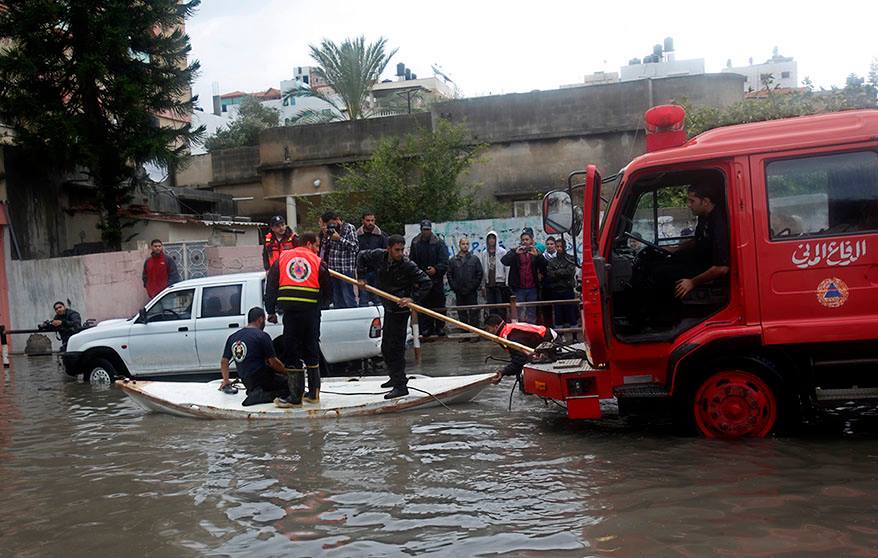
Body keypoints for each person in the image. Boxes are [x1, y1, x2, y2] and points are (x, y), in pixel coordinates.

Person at [357, 234, 432, 399]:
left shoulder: (407, 265)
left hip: (400, 309)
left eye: (402, 250)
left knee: (395, 348)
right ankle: (394, 377)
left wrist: (412, 297)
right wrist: (361, 277)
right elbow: (361, 256)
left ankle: (401, 385)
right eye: (396, 250)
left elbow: (426, 282)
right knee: (385, 347)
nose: (400, 253)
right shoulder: (379, 256)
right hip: (388, 306)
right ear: (388, 249)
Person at [265, 232, 330, 407]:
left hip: (292, 312)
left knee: (292, 351)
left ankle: (295, 396)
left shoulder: (283, 259)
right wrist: (320, 305)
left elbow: (271, 285)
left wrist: (270, 310)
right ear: (309, 244)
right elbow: (328, 289)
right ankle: (314, 393)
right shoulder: (318, 262)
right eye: (316, 246)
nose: (317, 250)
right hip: (311, 312)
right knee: (311, 348)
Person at [666, 183, 730, 299]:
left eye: (692, 201)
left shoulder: (720, 223)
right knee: (665, 265)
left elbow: (721, 268)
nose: (689, 205)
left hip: (708, 272)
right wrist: (675, 249)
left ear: (705, 201)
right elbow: (697, 240)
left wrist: (692, 282)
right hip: (698, 262)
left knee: (663, 275)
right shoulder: (703, 216)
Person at [219, 307, 289, 406]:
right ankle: (261, 396)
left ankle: (254, 391)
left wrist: (226, 381)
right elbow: (273, 362)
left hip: (247, 381)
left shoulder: (233, 337)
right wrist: (286, 372)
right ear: (260, 319)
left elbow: (224, 361)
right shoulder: (262, 336)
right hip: (262, 379)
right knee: (290, 386)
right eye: (264, 320)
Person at [483, 314, 557, 384]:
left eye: (488, 329)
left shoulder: (511, 337)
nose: (488, 333)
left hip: (549, 342)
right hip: (541, 342)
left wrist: (503, 372)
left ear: (496, 327)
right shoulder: (507, 330)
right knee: (522, 373)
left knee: (524, 373)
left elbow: (519, 361)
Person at [409, 220, 450, 338]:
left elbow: (444, 262)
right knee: (423, 306)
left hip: (436, 280)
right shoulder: (415, 243)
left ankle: (439, 327)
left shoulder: (439, 243)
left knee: (439, 305)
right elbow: (412, 262)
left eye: (428, 229)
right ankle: (426, 329)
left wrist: (436, 269)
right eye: (424, 229)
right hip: (421, 281)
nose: (426, 232)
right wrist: (416, 279)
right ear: (421, 230)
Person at [501, 227, 546, 323]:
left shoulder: (535, 252)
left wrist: (538, 256)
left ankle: (531, 333)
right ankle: (521, 332)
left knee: (532, 312)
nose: (525, 242)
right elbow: (504, 261)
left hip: (532, 287)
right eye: (523, 240)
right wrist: (514, 253)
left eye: (527, 239)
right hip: (519, 288)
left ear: (532, 240)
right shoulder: (516, 251)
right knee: (519, 312)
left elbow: (545, 266)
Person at [319, 210, 359, 309]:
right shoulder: (329, 230)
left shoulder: (349, 228)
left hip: (346, 269)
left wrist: (339, 239)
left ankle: (353, 318)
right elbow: (324, 248)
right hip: (333, 270)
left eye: (331, 224)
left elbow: (355, 247)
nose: (331, 227)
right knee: (337, 299)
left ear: (337, 220)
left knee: (348, 297)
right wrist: (325, 235)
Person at [447, 237, 483, 341]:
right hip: (459, 292)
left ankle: (474, 335)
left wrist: (473, 286)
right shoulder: (453, 260)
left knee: (473, 313)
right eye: (463, 244)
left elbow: (479, 274)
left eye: (467, 244)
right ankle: (464, 335)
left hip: (471, 291)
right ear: (459, 245)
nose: (465, 246)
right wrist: (455, 287)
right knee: (462, 314)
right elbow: (449, 275)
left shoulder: (474, 259)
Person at [544, 238, 578, 329]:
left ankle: (574, 335)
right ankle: (560, 335)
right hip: (556, 290)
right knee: (558, 313)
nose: (559, 248)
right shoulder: (552, 261)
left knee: (571, 313)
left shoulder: (570, 258)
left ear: (565, 247)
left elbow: (570, 272)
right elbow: (550, 274)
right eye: (557, 246)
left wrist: (557, 272)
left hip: (567, 289)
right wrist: (562, 272)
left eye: (561, 246)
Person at [356, 211, 388, 307]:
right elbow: (356, 255)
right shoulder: (357, 236)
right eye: (368, 220)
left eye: (372, 220)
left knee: (378, 299)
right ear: (363, 221)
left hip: (378, 272)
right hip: (363, 272)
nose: (370, 223)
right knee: (363, 300)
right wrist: (360, 274)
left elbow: (386, 253)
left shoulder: (382, 236)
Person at [479, 230, 510, 321]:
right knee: (491, 307)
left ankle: (502, 324)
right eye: (489, 238)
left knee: (501, 307)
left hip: (500, 283)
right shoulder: (484, 253)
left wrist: (507, 282)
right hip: (489, 284)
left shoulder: (502, 252)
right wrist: (483, 284)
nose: (491, 240)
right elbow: (483, 268)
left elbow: (507, 267)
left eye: (493, 238)